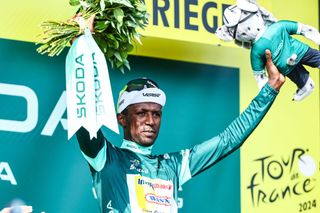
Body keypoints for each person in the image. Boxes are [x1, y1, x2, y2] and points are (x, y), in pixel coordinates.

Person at [76, 49, 285, 212]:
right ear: (122, 119)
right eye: (141, 113)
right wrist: (83, 46)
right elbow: (83, 116)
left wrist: (270, 89)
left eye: (156, 114)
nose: (151, 121)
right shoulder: (107, 158)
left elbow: (228, 140)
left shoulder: (172, 166)